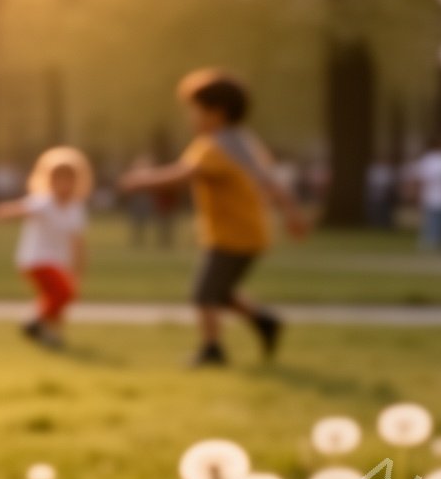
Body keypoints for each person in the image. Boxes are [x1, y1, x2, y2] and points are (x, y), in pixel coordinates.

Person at [119, 68, 305, 368]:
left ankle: (212, 350)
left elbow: (182, 175)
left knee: (205, 292)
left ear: (216, 113)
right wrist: (292, 214)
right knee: (219, 292)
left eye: (195, 111)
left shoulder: (213, 146)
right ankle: (263, 321)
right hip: (248, 232)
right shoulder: (244, 142)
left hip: (233, 234)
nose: (190, 118)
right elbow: (270, 181)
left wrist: (140, 181)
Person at [0, 146, 92, 348]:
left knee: (60, 297)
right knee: (63, 292)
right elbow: (19, 209)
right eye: (58, 178)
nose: (63, 184)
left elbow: (78, 243)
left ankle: (49, 332)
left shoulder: (76, 208)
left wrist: (77, 271)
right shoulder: (43, 202)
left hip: (58, 261)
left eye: (68, 179)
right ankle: (34, 322)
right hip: (36, 259)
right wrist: (4, 213)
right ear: (48, 179)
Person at [411, 134, 441, 250]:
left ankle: (440, 243)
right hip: (432, 195)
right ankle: (431, 243)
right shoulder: (431, 159)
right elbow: (420, 179)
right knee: (433, 220)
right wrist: (417, 194)